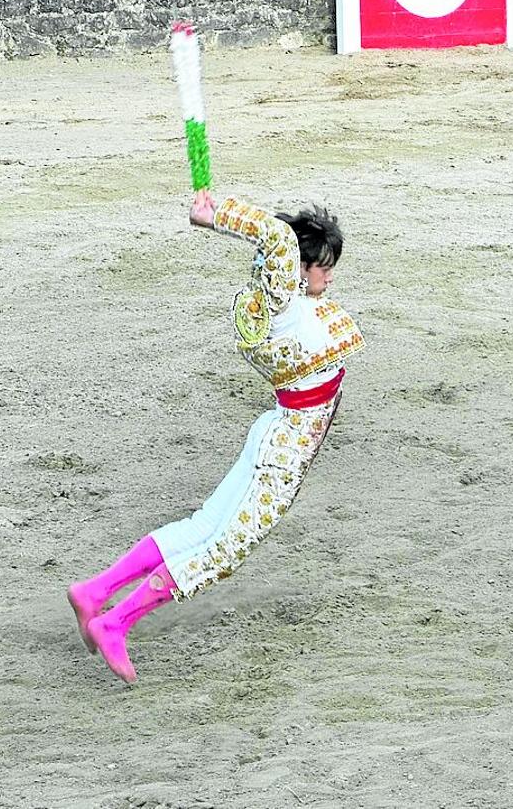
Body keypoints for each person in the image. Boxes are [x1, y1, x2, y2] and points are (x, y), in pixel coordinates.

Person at [67, 188, 364, 683]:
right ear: (296, 268)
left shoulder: (292, 303)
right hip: (285, 444)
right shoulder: (285, 305)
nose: (329, 276)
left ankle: (96, 591)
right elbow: (275, 236)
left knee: (205, 526)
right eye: (323, 266)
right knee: (225, 548)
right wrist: (214, 215)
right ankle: (116, 621)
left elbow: (283, 249)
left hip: (276, 429)